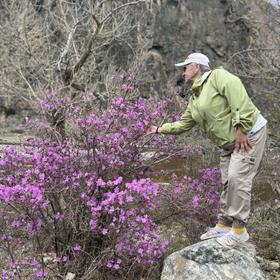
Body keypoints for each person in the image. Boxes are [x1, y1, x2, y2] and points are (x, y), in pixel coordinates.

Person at [146, 52, 267, 248]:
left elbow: (237, 92)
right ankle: (224, 224)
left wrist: (241, 128)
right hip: (229, 143)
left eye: (185, 67)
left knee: (238, 178)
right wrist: (159, 130)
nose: (183, 72)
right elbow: (183, 124)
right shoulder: (195, 97)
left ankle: (238, 231)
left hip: (248, 135)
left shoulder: (217, 76)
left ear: (197, 67)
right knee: (228, 181)